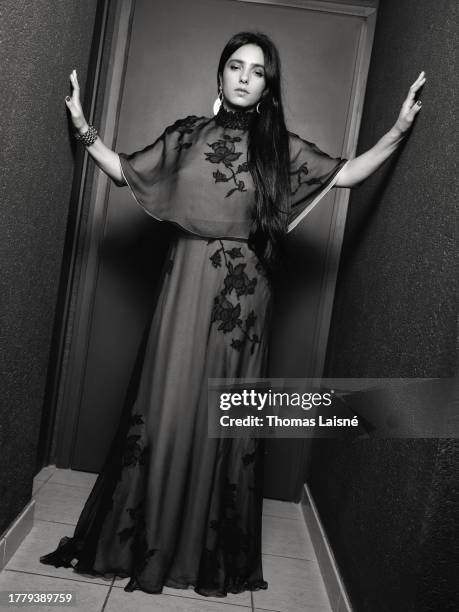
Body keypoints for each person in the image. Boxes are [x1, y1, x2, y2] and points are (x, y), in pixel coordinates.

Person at [39, 31, 425, 597]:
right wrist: (82, 126)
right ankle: (145, 539)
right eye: (236, 67)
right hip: (183, 289)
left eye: (258, 71)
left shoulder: (280, 148)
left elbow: (347, 174)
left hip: (243, 303)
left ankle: (201, 548)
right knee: (167, 407)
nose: (245, 77)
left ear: (268, 87)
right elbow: (124, 170)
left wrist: (398, 129)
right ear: (220, 75)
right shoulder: (187, 136)